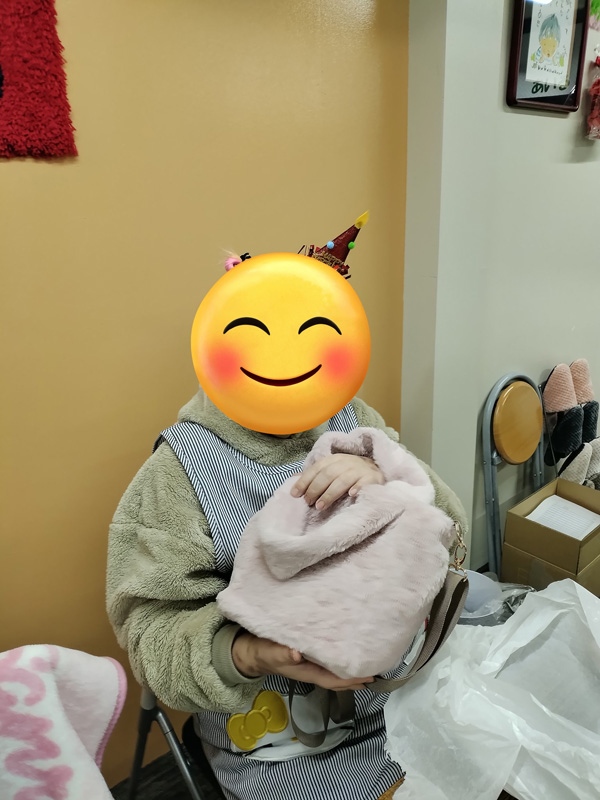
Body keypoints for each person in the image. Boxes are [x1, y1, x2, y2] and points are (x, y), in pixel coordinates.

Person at [106, 232, 467, 800]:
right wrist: (247, 653)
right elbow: (151, 630)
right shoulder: (178, 473)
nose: (284, 356)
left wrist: (386, 477)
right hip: (281, 750)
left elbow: (451, 533)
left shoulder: (354, 421)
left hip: (404, 702)